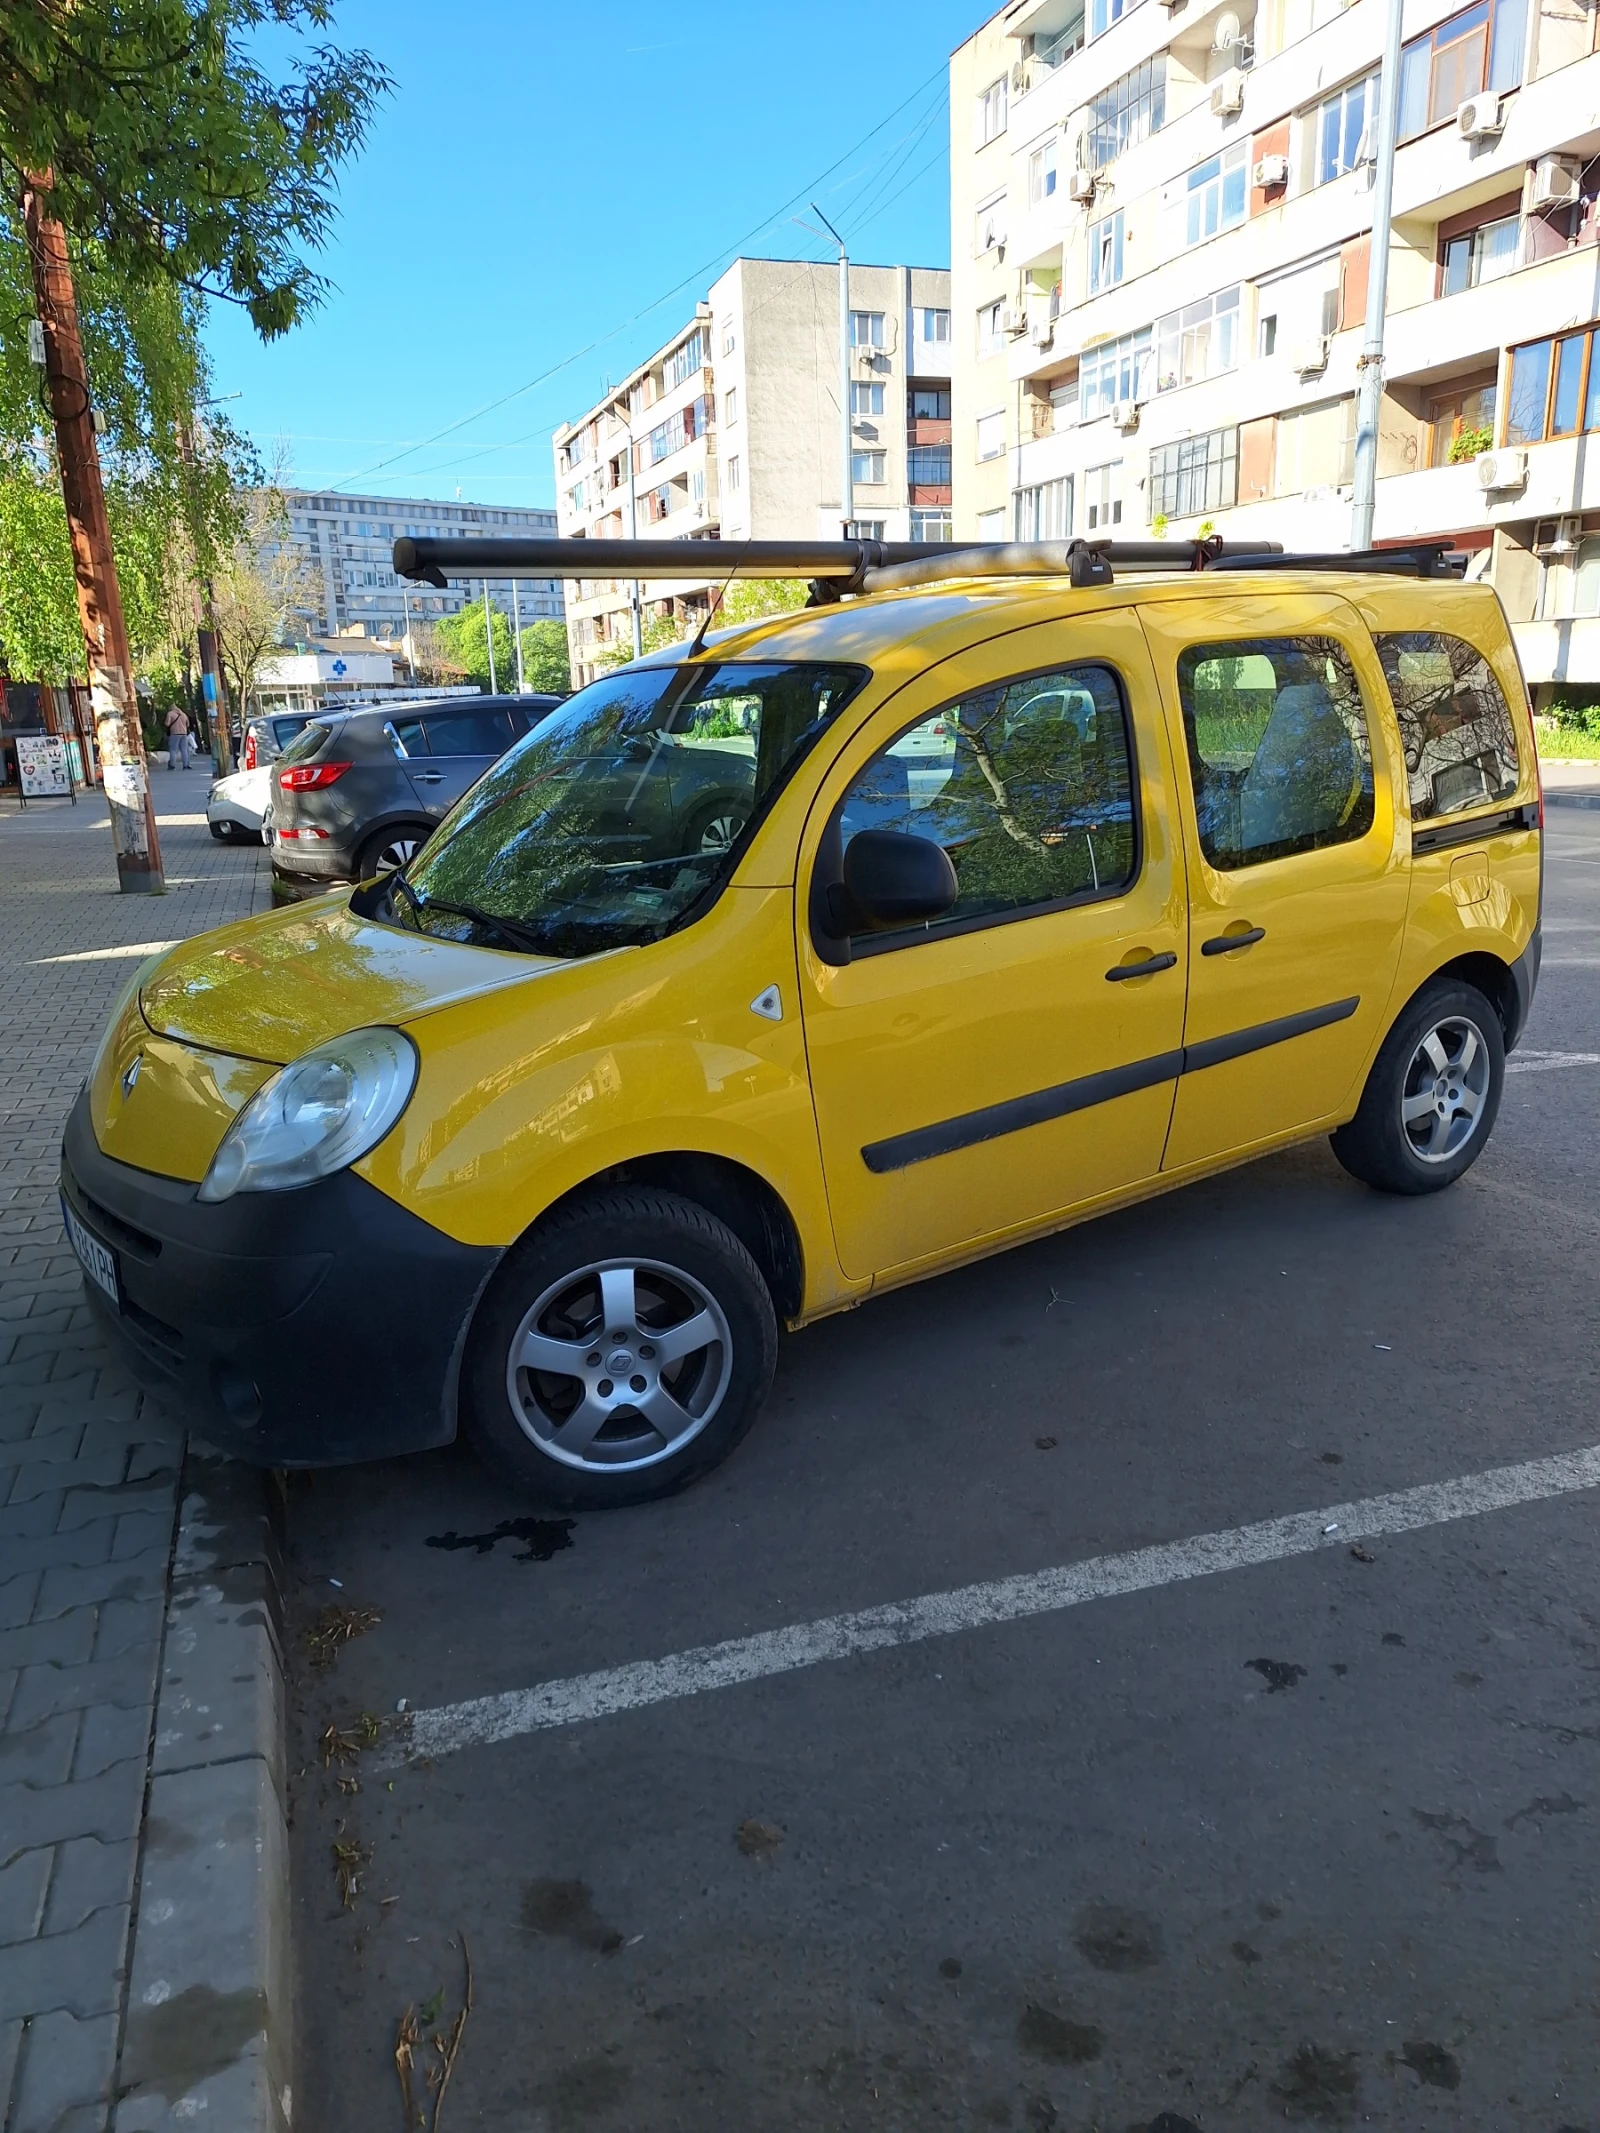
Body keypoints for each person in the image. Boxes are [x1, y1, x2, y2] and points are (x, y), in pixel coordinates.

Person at [165, 705, 191, 771]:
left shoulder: (170, 713)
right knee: (184, 750)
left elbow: (167, 724)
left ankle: (172, 765)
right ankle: (185, 765)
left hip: (174, 733)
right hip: (184, 733)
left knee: (173, 750)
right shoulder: (184, 714)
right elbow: (188, 724)